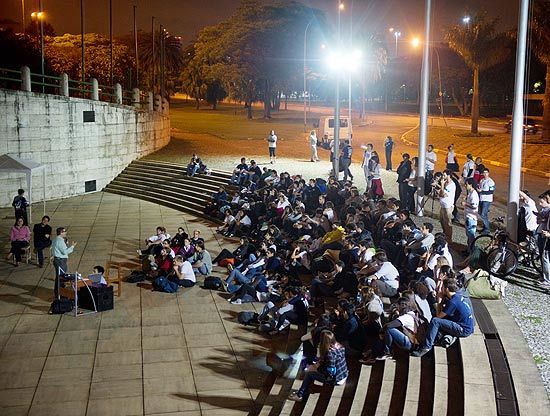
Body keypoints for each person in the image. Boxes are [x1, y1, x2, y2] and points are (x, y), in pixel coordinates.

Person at [413, 278, 474, 357]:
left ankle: (427, 347)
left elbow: (439, 316)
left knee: (435, 321)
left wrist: (439, 301)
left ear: (447, 289)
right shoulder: (458, 296)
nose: (441, 290)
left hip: (463, 329)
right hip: (466, 326)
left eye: (442, 288)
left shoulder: (453, 302)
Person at [288, 330, 348, 402]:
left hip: (336, 379)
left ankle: (299, 395)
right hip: (343, 374)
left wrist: (317, 368)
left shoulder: (330, 354)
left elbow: (330, 374)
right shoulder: (340, 346)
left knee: (309, 374)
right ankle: (306, 388)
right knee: (312, 370)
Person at [52, 227, 77, 298]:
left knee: (60, 277)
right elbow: (65, 252)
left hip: (59, 260)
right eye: (64, 231)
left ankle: (60, 293)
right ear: (61, 233)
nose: (66, 233)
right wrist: (72, 246)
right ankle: (60, 294)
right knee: (62, 278)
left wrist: (65, 244)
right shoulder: (59, 241)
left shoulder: (56, 240)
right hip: (60, 261)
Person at [438, 169, 456, 242]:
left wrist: (442, 185)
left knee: (447, 223)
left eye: (444, 175)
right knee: (442, 221)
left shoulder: (451, 185)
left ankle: (449, 239)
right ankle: (445, 234)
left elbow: (443, 194)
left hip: (447, 207)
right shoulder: (446, 183)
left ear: (448, 176)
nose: (443, 177)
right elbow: (440, 193)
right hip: (443, 205)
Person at [536, 190, 550, 288]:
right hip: (543, 233)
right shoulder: (544, 210)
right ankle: (545, 275)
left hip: (546, 235)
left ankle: (547, 279)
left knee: (545, 257)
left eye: (542, 202)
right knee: (544, 256)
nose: (540, 204)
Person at [462, 179, 479, 254]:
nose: (465, 186)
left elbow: (474, 206)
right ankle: (468, 249)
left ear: (470, 185)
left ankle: (471, 252)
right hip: (468, 216)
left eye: (466, 184)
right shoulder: (470, 193)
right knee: (468, 235)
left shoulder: (474, 194)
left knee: (471, 236)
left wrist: (465, 204)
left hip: (471, 218)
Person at [478, 168, 495, 234]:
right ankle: (485, 227)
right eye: (484, 173)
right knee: (481, 213)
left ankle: (487, 229)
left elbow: (491, 191)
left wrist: (482, 192)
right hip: (481, 199)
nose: (485, 174)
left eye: (486, 173)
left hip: (487, 200)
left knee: (483, 214)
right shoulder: (482, 180)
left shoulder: (490, 182)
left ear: (488, 173)